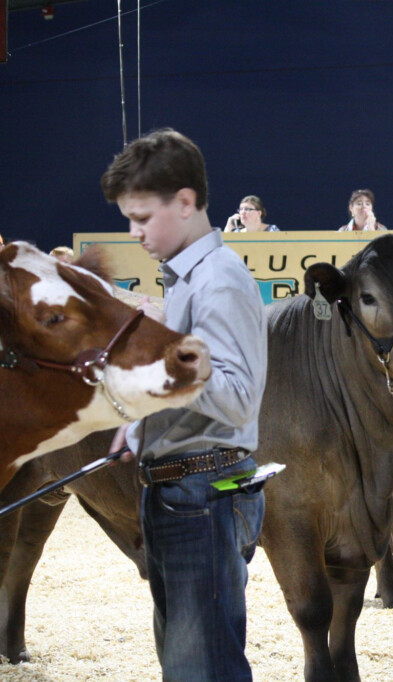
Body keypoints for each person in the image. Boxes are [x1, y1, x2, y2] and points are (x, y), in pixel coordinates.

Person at [100, 128, 268, 681]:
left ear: (187, 202)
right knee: (186, 664)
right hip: (183, 491)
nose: (135, 232)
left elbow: (240, 400)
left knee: (203, 670)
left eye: (143, 217)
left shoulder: (218, 281)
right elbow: (192, 390)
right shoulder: (185, 281)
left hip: (206, 495)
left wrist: (171, 360)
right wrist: (143, 421)